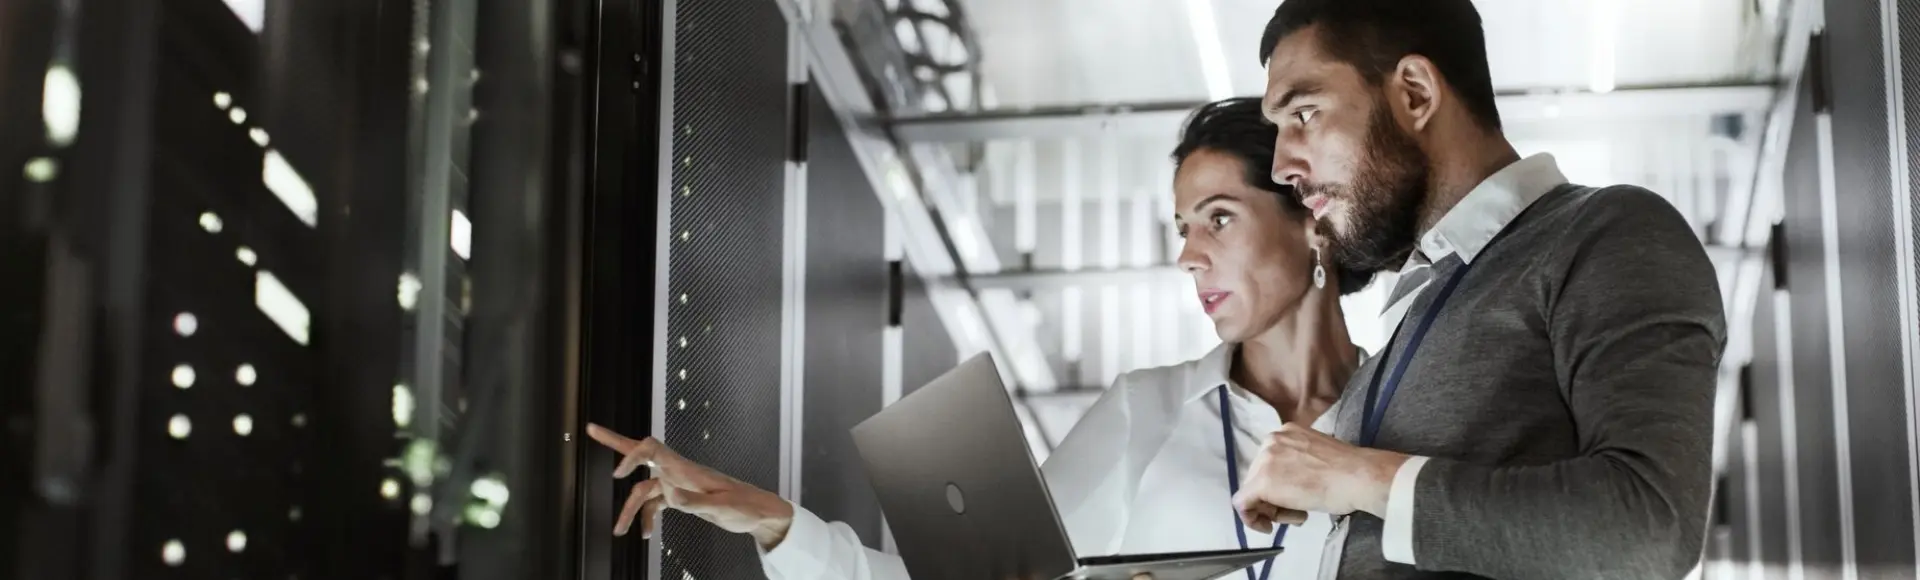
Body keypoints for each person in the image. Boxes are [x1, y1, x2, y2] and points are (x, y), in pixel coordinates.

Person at [583, 97, 1380, 580]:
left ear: (1310, 219)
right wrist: (773, 521)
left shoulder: (1405, 418)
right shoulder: (1150, 409)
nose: (1188, 256)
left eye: (1219, 218)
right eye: (1182, 228)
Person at [1223, 1, 1729, 579]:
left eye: (1305, 113)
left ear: (1415, 93)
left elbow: (1650, 529)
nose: (1281, 166)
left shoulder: (1605, 233)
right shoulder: (1418, 308)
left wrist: (1358, 475)